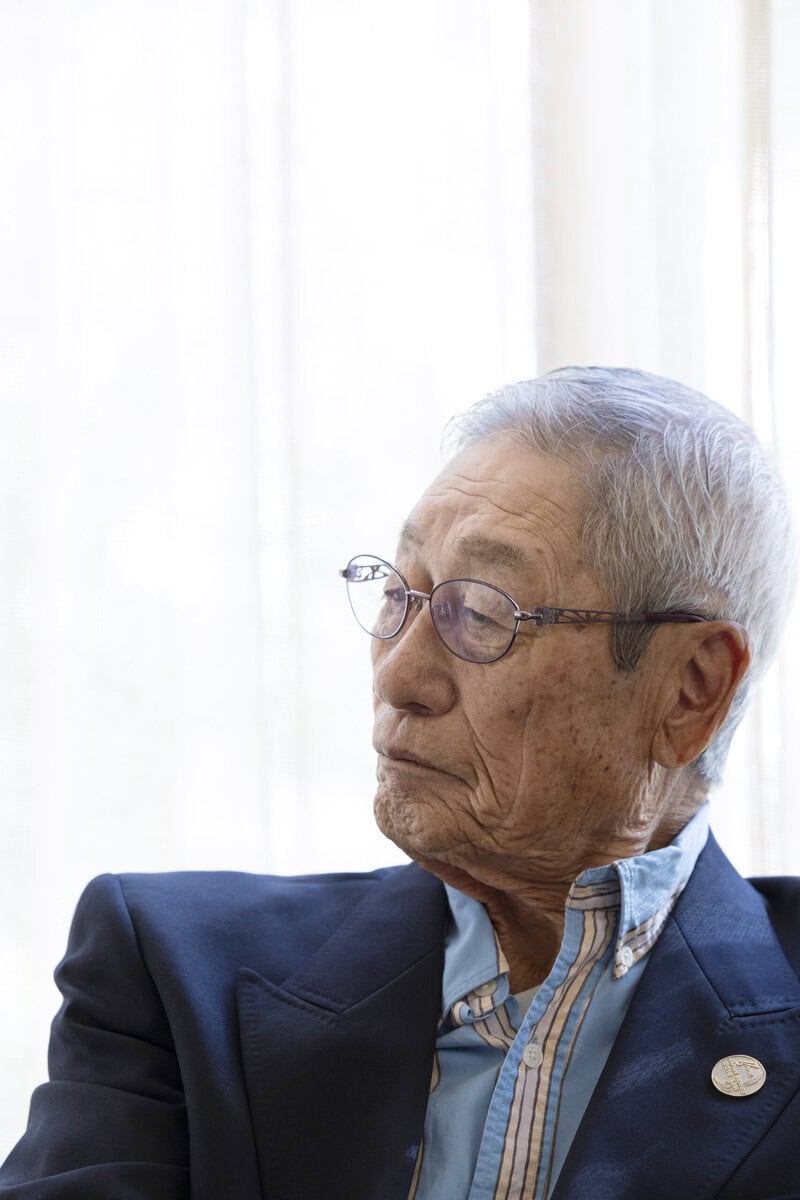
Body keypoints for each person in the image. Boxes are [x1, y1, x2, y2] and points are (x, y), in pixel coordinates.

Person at [2, 366, 799, 1200]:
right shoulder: (176, 975)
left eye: (481, 614)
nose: (399, 677)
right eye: (398, 594)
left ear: (691, 688)